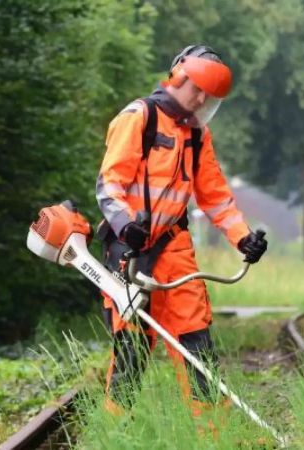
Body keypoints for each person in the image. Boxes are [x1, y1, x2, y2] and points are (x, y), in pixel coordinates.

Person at [94, 44, 268, 419]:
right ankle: (114, 432)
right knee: (132, 350)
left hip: (175, 249)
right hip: (130, 251)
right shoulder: (139, 118)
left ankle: (213, 434)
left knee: (197, 344)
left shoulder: (197, 136)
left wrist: (243, 237)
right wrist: (127, 226)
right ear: (179, 77)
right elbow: (109, 186)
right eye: (199, 89)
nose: (202, 99)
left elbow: (216, 198)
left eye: (210, 95)